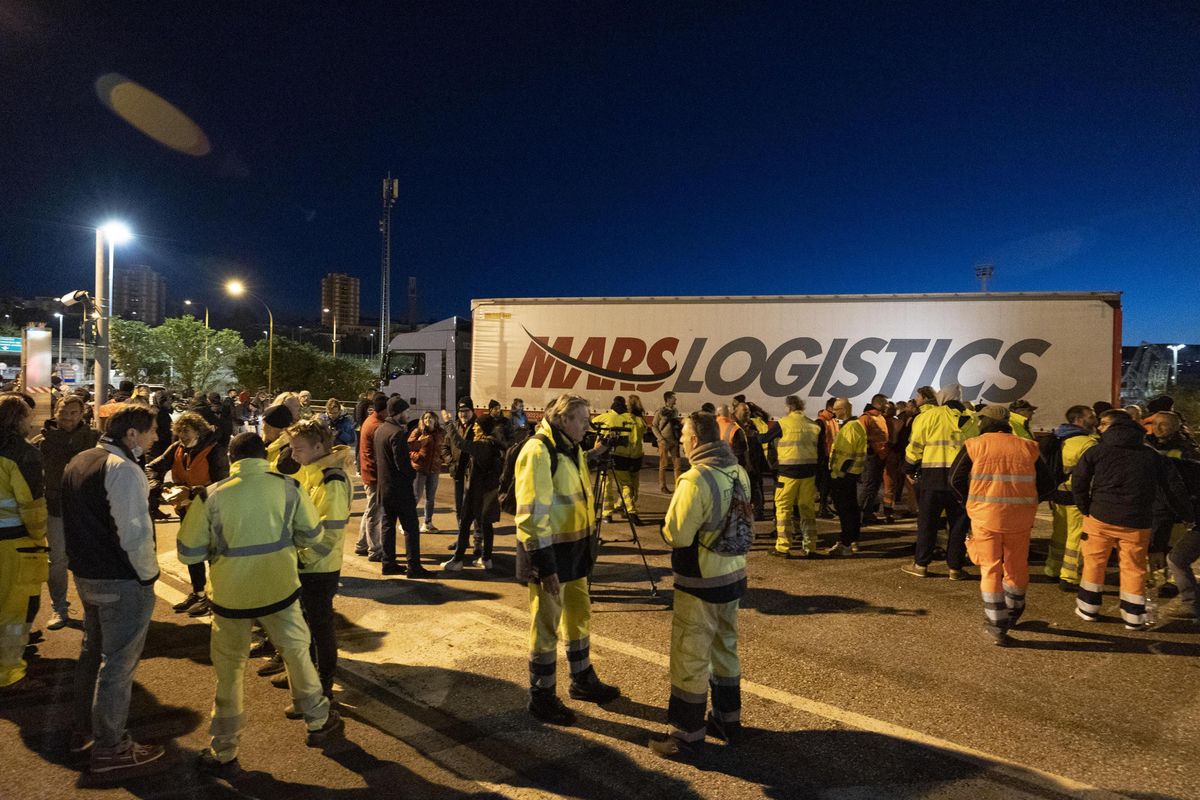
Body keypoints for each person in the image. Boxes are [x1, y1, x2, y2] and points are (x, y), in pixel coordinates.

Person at [177, 432, 342, 775]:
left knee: (229, 673)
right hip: (280, 590)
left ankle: (224, 749)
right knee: (297, 654)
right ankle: (317, 721)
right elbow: (312, 535)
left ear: (232, 459)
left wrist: (217, 551)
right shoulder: (288, 487)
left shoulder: (210, 496)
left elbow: (188, 552)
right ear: (262, 456)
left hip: (230, 598)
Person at [61, 403, 163, 772]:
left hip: (86, 575)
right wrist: (148, 576)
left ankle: (83, 729)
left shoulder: (81, 459)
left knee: (92, 653)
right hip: (120, 579)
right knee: (118, 664)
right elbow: (134, 533)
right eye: (151, 430)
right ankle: (110, 746)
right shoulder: (123, 470)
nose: (156, 437)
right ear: (131, 434)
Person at [650, 411, 750, 760]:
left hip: (701, 580)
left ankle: (686, 736)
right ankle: (728, 721)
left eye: (682, 439)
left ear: (695, 440)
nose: (680, 443)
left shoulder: (695, 479)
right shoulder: (737, 471)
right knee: (726, 649)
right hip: (733, 574)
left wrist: (664, 531)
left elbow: (678, 535)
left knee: (690, 658)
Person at [514, 393, 619, 725]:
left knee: (578, 617)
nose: (587, 426)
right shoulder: (539, 451)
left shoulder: (569, 449)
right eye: (582, 420)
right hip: (551, 557)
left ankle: (582, 678)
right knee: (546, 627)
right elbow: (531, 516)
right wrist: (545, 566)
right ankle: (542, 697)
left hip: (574, 553)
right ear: (562, 419)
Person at [1072, 410, 1192, 629]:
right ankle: (1133, 616)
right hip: (1138, 520)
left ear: (1112, 428)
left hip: (1100, 517)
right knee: (1134, 567)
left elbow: (1079, 481)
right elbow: (1172, 488)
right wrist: (1187, 515)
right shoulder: (1152, 455)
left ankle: (1088, 608)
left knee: (1094, 562)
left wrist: (1085, 507)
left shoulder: (1097, 451)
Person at [950, 406, 1056, 645]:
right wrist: (1029, 502)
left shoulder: (974, 445)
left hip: (985, 517)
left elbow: (955, 479)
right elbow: (1049, 483)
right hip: (1020, 518)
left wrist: (969, 501)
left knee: (990, 568)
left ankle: (997, 623)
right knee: (1017, 566)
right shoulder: (1029, 446)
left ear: (987, 422)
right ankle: (1014, 610)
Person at [287, 419, 352, 706]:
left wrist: (301, 559)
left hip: (318, 568)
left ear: (317, 447)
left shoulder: (331, 480)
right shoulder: (310, 473)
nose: (292, 454)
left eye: (297, 448)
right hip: (306, 564)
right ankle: (310, 680)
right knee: (307, 625)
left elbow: (330, 534)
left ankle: (322, 685)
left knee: (319, 626)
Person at [146, 411, 230, 617]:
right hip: (186, 510)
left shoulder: (215, 451)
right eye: (179, 431)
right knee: (192, 552)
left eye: (187, 430)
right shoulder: (177, 448)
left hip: (211, 511)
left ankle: (213, 598)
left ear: (199, 431)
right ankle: (198, 592)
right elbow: (152, 467)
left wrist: (192, 491)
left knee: (212, 555)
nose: (182, 435)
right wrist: (157, 485)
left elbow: (223, 484)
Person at [34, 394, 99, 631]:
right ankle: (59, 607)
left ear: (82, 414)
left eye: (73, 412)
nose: (68, 417)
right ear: (55, 412)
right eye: (63, 412)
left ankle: (93, 610)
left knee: (88, 558)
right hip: (55, 506)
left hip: (86, 509)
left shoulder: (94, 439)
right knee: (58, 560)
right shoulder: (43, 440)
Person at [0, 394, 48, 689]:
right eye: (29, 416)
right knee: (13, 612)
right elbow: (32, 506)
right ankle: (9, 672)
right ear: (19, 419)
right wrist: (38, 537)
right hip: (13, 543)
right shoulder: (23, 454)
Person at [901, 386, 968, 579]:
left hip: (933, 477)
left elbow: (915, 445)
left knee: (928, 523)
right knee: (958, 525)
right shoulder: (970, 418)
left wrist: (909, 468)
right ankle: (955, 568)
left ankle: (921, 564)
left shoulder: (929, 416)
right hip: (960, 480)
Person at [1043, 405, 1099, 591]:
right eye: (1091, 416)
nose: (1095, 419)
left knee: (1059, 534)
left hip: (1057, 493)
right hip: (1077, 495)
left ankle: (1052, 568)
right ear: (1080, 420)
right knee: (1076, 537)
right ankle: (1070, 577)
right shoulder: (1086, 442)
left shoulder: (1058, 437)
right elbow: (1091, 473)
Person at [376, 396, 432, 578]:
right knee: (411, 527)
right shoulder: (397, 434)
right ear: (398, 413)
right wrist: (412, 475)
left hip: (384, 487)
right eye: (406, 412)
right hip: (399, 489)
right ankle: (414, 567)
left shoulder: (380, 430)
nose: (408, 415)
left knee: (388, 526)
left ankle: (388, 563)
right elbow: (402, 463)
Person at [441, 411, 503, 571]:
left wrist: (448, 423)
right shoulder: (494, 444)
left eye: (477, 425)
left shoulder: (482, 446)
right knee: (486, 525)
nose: (474, 427)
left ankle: (457, 560)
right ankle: (486, 559)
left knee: (465, 524)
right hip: (487, 492)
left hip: (476, 492)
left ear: (482, 428)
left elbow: (460, 444)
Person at [764, 395, 824, 558]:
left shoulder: (783, 423)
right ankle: (810, 547)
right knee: (807, 509)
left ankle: (783, 547)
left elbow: (764, 439)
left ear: (788, 407)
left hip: (787, 473)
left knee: (783, 509)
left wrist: (754, 435)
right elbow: (821, 451)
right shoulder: (814, 425)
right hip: (809, 474)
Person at [592, 396, 647, 524]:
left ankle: (607, 513)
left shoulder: (609, 417)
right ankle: (624, 508)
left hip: (612, 454)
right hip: (635, 457)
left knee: (607, 485)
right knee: (629, 485)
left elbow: (591, 425)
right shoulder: (637, 420)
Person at [826, 398, 867, 556]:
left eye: (836, 409)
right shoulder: (854, 426)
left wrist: (839, 475)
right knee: (851, 510)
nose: (834, 412)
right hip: (849, 475)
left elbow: (847, 456)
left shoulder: (850, 428)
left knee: (846, 512)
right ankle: (851, 541)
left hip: (843, 476)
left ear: (843, 409)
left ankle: (846, 544)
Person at [442, 398, 481, 550]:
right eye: (460, 411)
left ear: (472, 411)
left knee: (475, 509)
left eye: (466, 411)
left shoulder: (478, 427)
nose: (463, 414)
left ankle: (478, 542)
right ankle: (462, 539)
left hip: (473, 476)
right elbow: (445, 447)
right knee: (460, 508)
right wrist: (451, 463)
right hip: (457, 474)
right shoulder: (455, 426)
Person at [355, 393, 388, 559]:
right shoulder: (377, 425)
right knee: (374, 514)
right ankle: (374, 550)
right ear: (384, 410)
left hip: (369, 472)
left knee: (370, 510)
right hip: (374, 475)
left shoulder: (370, 421)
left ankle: (361, 544)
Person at [408, 411, 445, 533]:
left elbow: (444, 447)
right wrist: (417, 457)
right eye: (426, 418)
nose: (428, 420)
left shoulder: (440, 433)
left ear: (435, 419)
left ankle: (427, 523)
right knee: (416, 496)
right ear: (422, 420)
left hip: (434, 469)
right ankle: (406, 523)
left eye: (430, 417)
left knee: (430, 497)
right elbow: (409, 447)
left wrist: (441, 459)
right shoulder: (417, 432)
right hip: (420, 469)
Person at [857, 394, 891, 525]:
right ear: (879, 404)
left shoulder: (880, 417)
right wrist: (870, 451)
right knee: (868, 486)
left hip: (880, 456)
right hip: (871, 457)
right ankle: (859, 515)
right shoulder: (866, 418)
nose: (888, 405)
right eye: (886, 403)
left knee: (875, 486)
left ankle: (868, 513)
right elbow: (861, 438)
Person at [653, 391, 683, 493]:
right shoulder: (660, 412)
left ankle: (678, 487)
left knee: (677, 465)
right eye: (674, 398)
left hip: (674, 441)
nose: (676, 400)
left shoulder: (675, 411)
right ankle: (663, 486)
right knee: (663, 465)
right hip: (664, 442)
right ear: (668, 399)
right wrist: (660, 438)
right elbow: (654, 426)